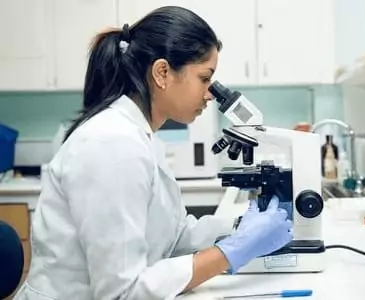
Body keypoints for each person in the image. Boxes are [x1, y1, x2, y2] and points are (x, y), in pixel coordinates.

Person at [13, 6, 292, 300]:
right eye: (204, 78)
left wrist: (242, 227)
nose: (210, 93)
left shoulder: (139, 134)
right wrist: (231, 251)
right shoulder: (111, 145)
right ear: (162, 73)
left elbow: (173, 236)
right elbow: (122, 292)